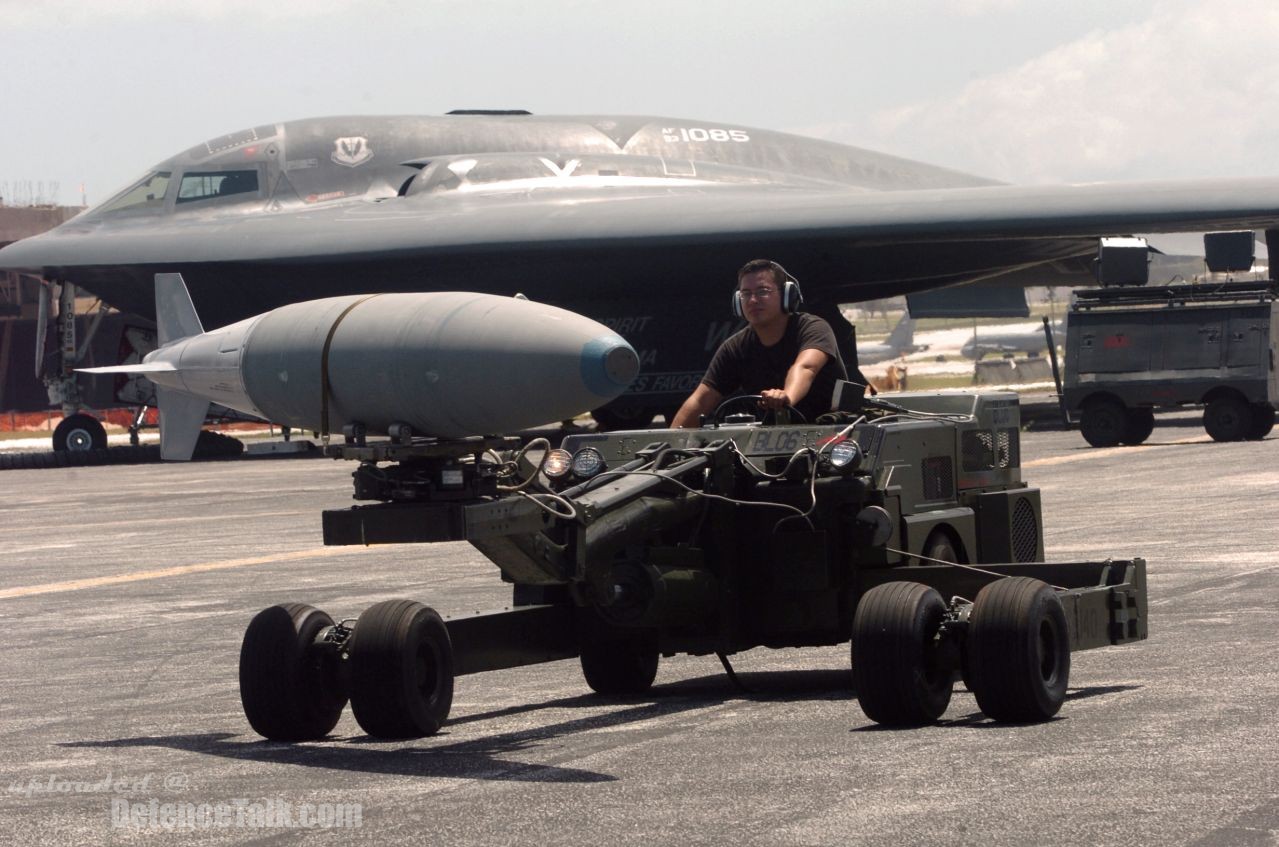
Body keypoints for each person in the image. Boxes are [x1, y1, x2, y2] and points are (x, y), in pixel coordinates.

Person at [670, 259, 854, 428]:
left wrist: (786, 397)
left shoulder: (813, 328)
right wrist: (666, 446)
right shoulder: (736, 348)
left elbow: (806, 368)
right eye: (745, 294)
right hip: (774, 439)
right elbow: (701, 400)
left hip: (833, 437)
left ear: (787, 296)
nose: (752, 300)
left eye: (762, 292)